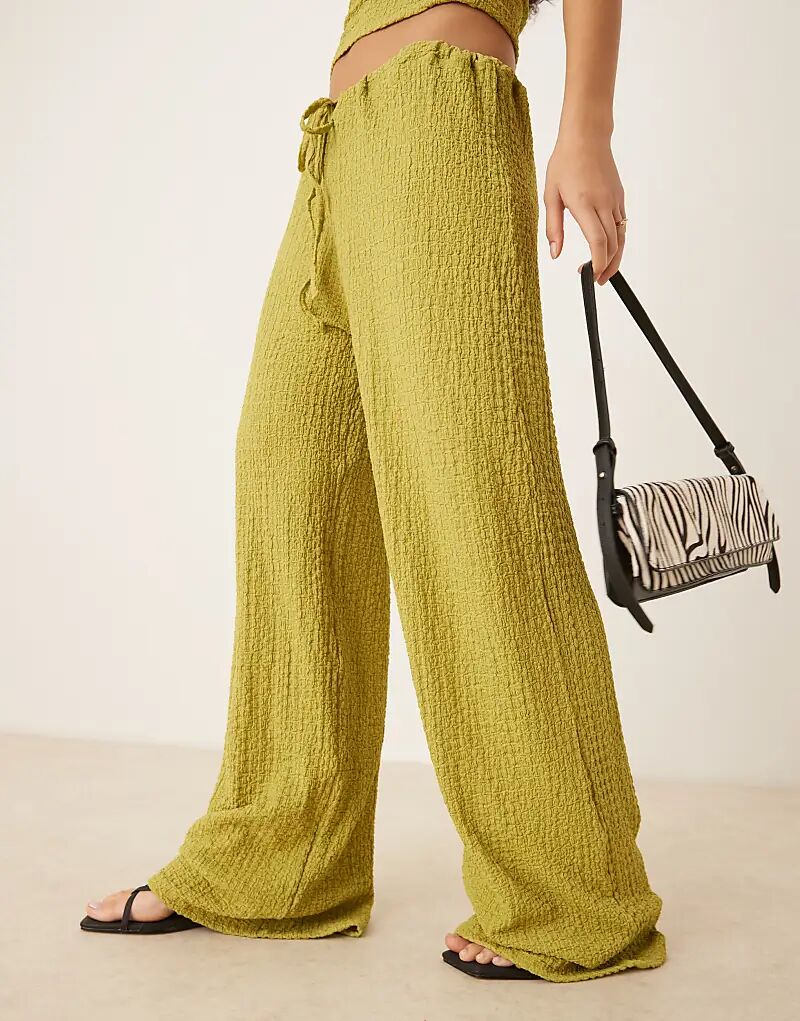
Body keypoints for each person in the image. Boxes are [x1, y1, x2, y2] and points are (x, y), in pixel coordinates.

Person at [80, 0, 666, 983]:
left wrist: (586, 129)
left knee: (474, 504)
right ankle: (281, 859)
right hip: (338, 147)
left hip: (440, 119)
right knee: (292, 480)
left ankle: (576, 892)